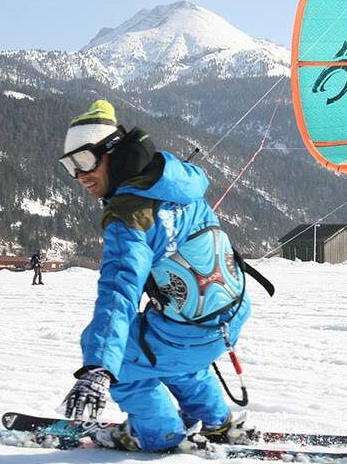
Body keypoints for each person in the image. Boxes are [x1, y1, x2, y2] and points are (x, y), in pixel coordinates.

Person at [58, 100, 256, 454]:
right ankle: (216, 421)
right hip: (228, 316)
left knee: (124, 357)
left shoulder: (129, 217)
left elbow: (119, 293)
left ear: (113, 153)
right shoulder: (175, 181)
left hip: (193, 330)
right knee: (163, 345)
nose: (79, 175)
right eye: (70, 166)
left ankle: (159, 434)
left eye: (85, 160)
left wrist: (99, 367)